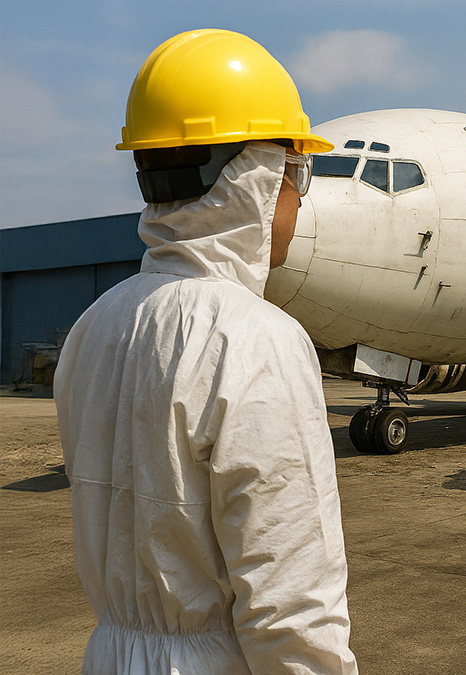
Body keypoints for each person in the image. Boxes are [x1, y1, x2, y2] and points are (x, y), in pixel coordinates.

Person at [54, 29, 358, 674]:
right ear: (254, 176)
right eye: (297, 171)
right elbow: (291, 601)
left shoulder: (93, 326)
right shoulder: (257, 340)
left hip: (108, 655)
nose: (300, 197)